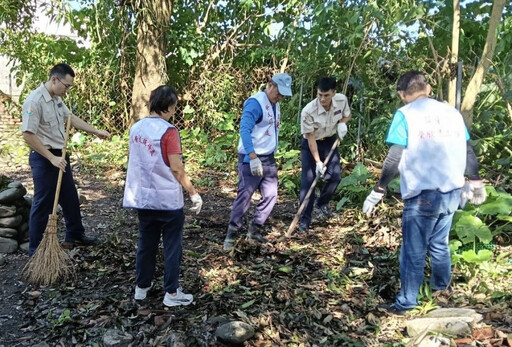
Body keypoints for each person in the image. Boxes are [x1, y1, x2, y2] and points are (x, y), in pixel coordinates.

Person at [362, 71, 486, 314]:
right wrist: (476, 180)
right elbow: (468, 149)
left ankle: (407, 303)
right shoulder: (452, 113)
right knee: (439, 244)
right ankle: (441, 292)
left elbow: (394, 157)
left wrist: (380, 188)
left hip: (422, 195)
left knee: (413, 251)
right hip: (452, 191)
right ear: (428, 88)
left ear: (402, 94)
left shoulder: (405, 115)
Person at [123, 85, 203, 307]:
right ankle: (172, 293)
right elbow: (177, 168)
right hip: (167, 200)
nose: (175, 111)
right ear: (169, 107)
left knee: (146, 243)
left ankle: (141, 288)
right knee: (171, 246)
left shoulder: (136, 129)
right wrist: (193, 193)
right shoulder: (169, 131)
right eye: (175, 107)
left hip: (143, 198)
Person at [21, 63, 111, 256]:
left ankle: (75, 234)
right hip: (45, 158)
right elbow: (28, 134)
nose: (68, 90)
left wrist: (95, 131)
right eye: (66, 85)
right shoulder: (34, 101)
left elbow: (70, 117)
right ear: (54, 79)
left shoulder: (56, 99)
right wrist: (51, 158)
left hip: (59, 156)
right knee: (43, 202)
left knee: (70, 196)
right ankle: (35, 250)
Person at [223, 73, 293, 251]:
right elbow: (244, 130)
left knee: (271, 194)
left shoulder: (275, 104)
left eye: (283, 95)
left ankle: (255, 229)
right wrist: (252, 157)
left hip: (268, 157)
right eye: (279, 93)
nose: (280, 97)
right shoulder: (255, 103)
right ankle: (232, 233)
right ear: (270, 85)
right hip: (251, 157)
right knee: (245, 195)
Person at [297, 77, 351, 233]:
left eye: (326, 95)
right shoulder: (308, 111)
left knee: (335, 177)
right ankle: (304, 220)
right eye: (320, 94)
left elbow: (347, 115)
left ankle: (322, 203)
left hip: (329, 142)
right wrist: (318, 162)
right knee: (308, 182)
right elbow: (310, 138)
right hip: (311, 144)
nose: (322, 98)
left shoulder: (341, 100)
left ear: (334, 93)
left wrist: (342, 124)